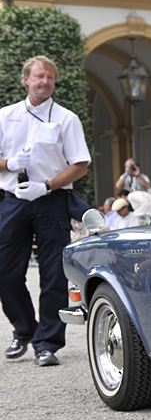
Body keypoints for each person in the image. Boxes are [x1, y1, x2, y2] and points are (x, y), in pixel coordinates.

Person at [0, 56, 90, 367]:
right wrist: (9, 165)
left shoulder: (66, 118)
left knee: (53, 275)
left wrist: (48, 186)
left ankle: (47, 344)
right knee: (5, 272)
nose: (46, 82)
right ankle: (24, 329)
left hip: (51, 201)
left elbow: (80, 164)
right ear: (26, 79)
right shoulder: (5, 116)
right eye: (40, 76)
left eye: (51, 78)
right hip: (13, 200)